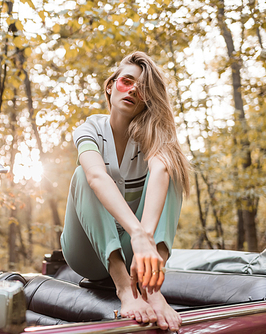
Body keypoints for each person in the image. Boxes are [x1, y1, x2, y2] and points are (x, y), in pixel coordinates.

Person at [60, 51, 190, 331]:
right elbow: (96, 176)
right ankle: (125, 289)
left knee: (173, 169)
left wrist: (145, 240)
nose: (132, 90)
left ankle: (152, 289)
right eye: (126, 81)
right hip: (88, 253)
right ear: (111, 86)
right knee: (83, 174)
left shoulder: (153, 136)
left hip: (139, 253)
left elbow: (161, 172)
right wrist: (138, 234)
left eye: (143, 89)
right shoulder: (89, 128)